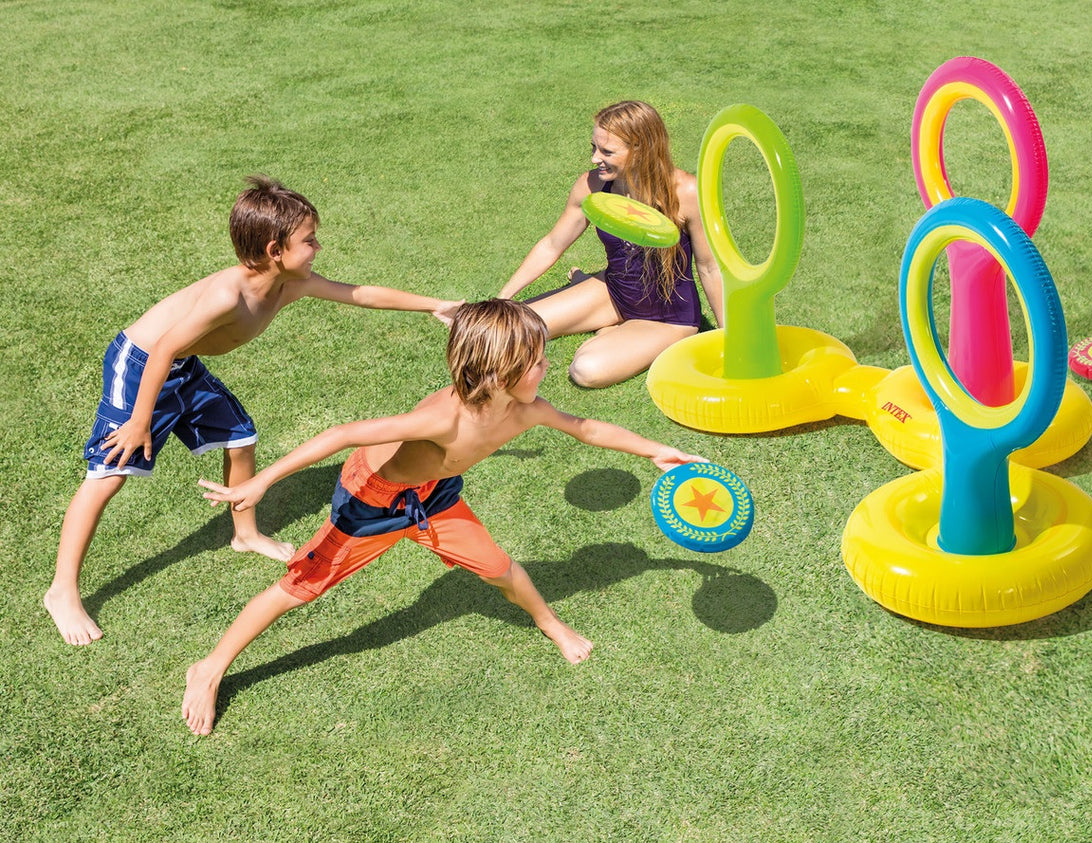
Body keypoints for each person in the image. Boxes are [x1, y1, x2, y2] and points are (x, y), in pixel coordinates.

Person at [183, 299, 704, 735]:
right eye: (538, 361)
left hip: (434, 496)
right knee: (300, 586)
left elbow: (587, 428)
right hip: (373, 499)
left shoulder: (528, 408)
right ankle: (208, 668)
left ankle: (552, 625)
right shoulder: (441, 417)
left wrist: (656, 450)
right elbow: (342, 435)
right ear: (499, 372)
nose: (546, 368)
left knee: (499, 567)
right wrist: (259, 480)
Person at [45, 175, 462, 647]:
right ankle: (62, 590)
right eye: (309, 241)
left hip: (180, 367)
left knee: (240, 436)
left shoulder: (290, 284)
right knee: (110, 470)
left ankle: (245, 534)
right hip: (141, 366)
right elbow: (162, 349)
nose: (318, 248)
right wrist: (139, 422)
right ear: (274, 250)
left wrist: (435, 306)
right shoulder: (229, 296)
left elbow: (359, 293)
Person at [497, 100, 723, 388]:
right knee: (507, 329)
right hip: (613, 292)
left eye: (606, 151)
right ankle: (604, 313)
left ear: (641, 150)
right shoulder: (592, 185)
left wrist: (727, 335)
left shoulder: (687, 192)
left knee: (586, 369)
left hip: (668, 317)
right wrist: (501, 299)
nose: (594, 158)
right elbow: (552, 245)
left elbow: (709, 266)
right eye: (593, 147)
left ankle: (610, 330)